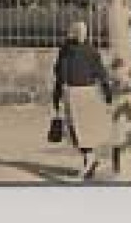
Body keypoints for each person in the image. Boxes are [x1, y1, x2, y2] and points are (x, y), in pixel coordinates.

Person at [52, 20, 114, 181]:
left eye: (83, 32)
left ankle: (89, 160)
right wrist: (57, 97)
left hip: (85, 93)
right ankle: (89, 160)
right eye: (78, 31)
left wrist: (108, 95)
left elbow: (101, 73)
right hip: (71, 92)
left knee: (84, 131)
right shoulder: (65, 50)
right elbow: (60, 76)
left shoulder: (90, 51)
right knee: (76, 131)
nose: (81, 34)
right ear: (72, 33)